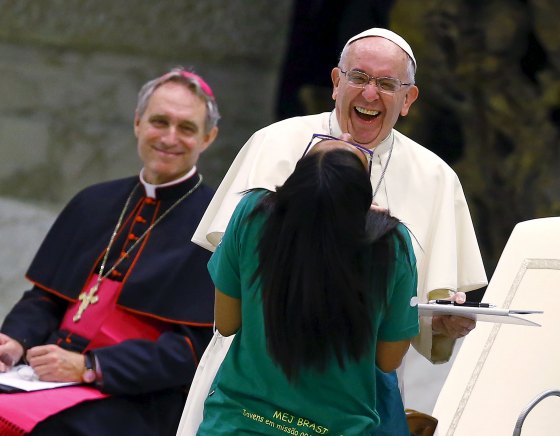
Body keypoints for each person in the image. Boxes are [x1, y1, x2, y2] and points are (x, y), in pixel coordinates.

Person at [178, 28, 487, 435]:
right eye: (358, 77)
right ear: (336, 82)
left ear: (409, 99)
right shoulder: (273, 144)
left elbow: (406, 318)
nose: (370, 94)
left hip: (349, 401)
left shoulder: (436, 179)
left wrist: (439, 325)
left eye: (387, 84)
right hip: (252, 390)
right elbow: (236, 297)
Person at [0, 67, 220, 435]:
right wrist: (15, 340)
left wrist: (89, 366)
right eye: (159, 121)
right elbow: (45, 296)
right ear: (138, 123)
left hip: (135, 393)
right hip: (43, 371)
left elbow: (191, 351)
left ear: (208, 138)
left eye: (186, 127)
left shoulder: (216, 226)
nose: (170, 137)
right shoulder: (94, 201)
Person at [197, 140, 419, 435]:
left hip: (237, 422)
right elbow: (388, 358)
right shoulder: (391, 244)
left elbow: (226, 323)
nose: (346, 136)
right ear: (362, 201)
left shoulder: (252, 214)